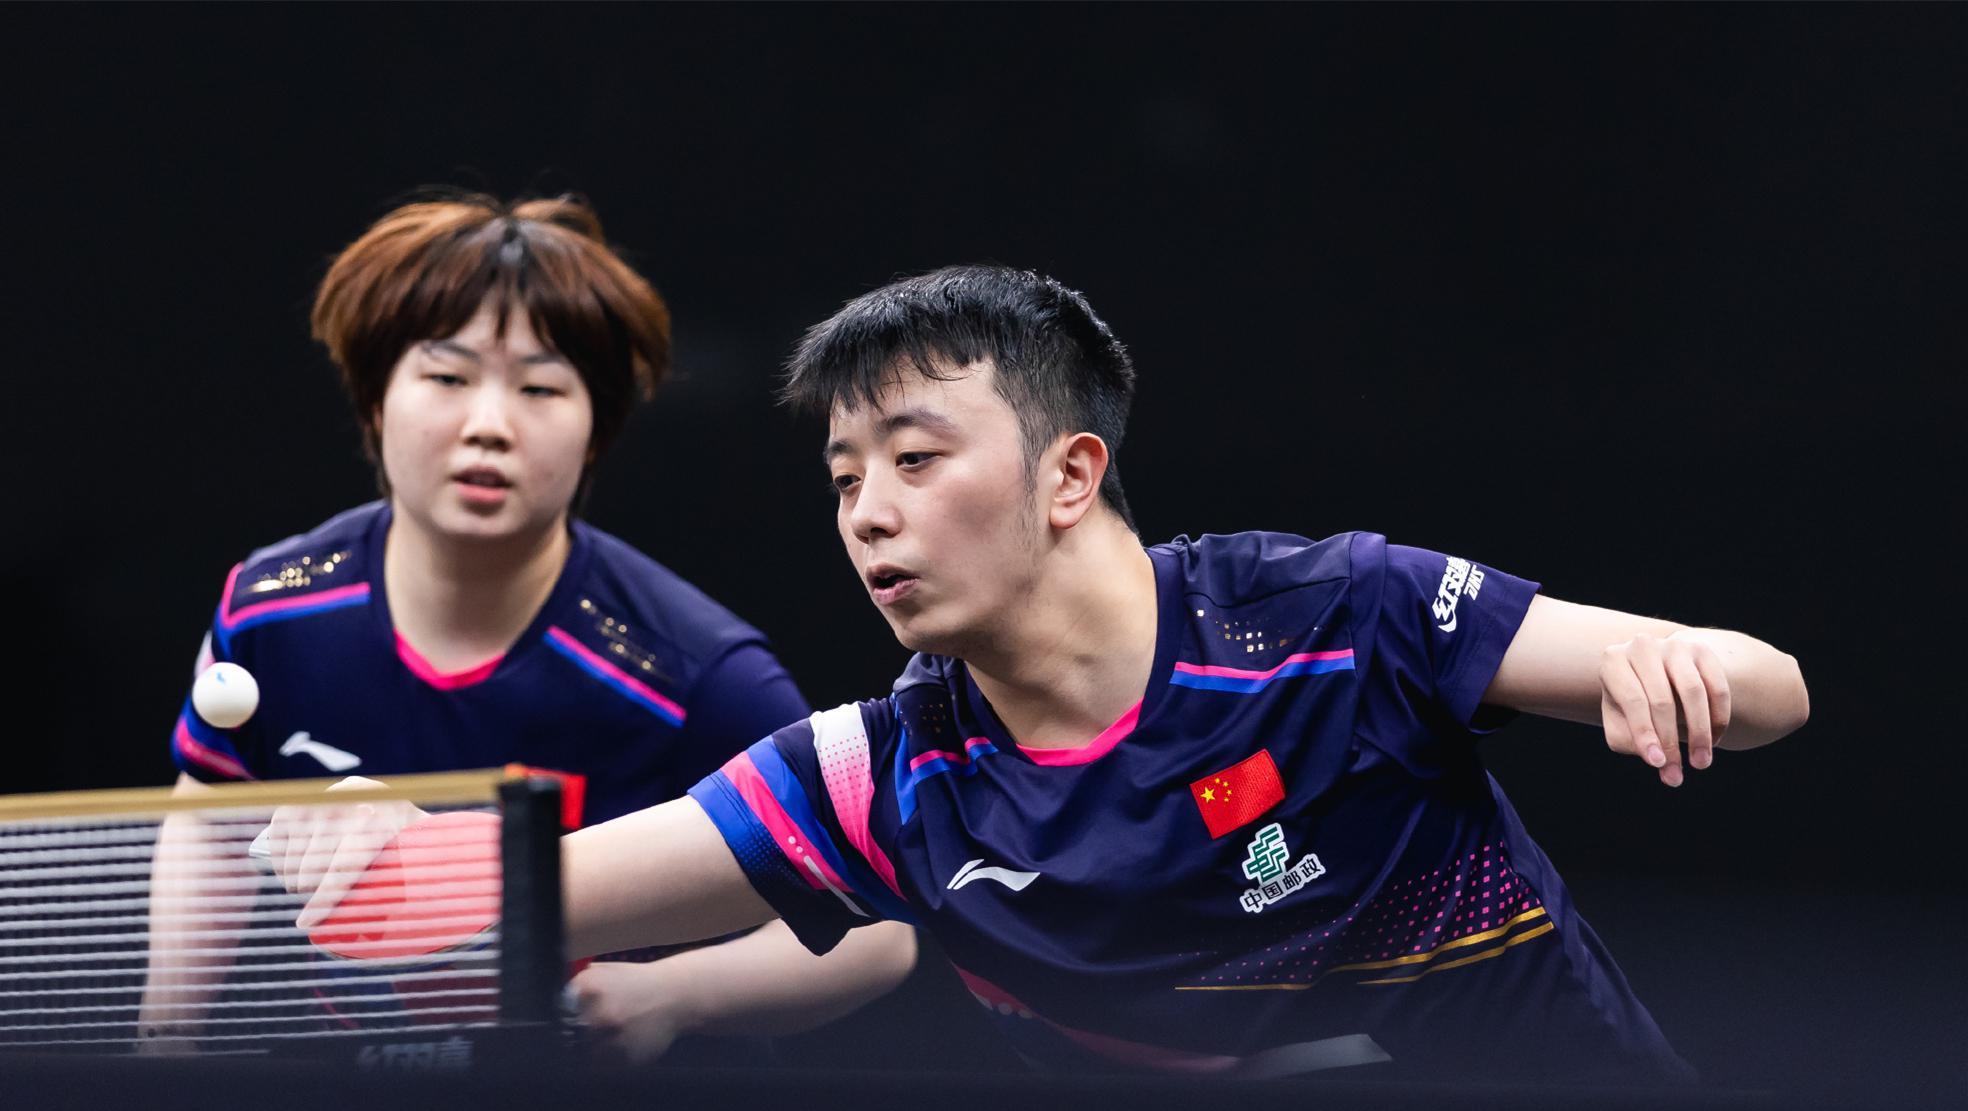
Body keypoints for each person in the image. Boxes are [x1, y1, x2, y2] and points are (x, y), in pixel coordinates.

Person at [289, 264, 1809, 1082]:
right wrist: (387, 862)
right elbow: (539, 889)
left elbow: (1770, 688)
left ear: (1071, 471)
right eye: (842, 478)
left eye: (913, 458)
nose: (866, 512)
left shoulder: (1337, 615)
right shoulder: (892, 778)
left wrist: (1691, 671)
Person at [138, 194, 914, 1062]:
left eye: (541, 387)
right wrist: (163, 1044)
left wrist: (675, 991)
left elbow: (880, 932)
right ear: (375, 398)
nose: (489, 426)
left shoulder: (692, 671)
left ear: (596, 429)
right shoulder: (270, 610)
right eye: (447, 377)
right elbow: (209, 826)